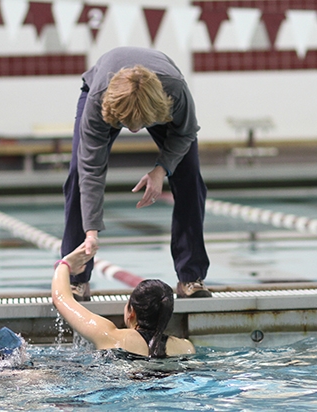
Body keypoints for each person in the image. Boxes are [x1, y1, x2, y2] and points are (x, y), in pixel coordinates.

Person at [60, 46, 211, 301]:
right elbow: (91, 169)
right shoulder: (99, 101)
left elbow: (185, 132)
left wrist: (161, 169)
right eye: (125, 124)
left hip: (158, 98)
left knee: (190, 178)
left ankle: (191, 277)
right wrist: (91, 232)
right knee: (77, 175)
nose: (132, 131)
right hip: (102, 93)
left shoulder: (174, 92)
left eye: (138, 125)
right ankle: (77, 280)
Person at [52, 244, 196, 358]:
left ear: (131, 312)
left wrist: (64, 265)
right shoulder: (186, 347)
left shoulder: (111, 337)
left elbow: (62, 299)